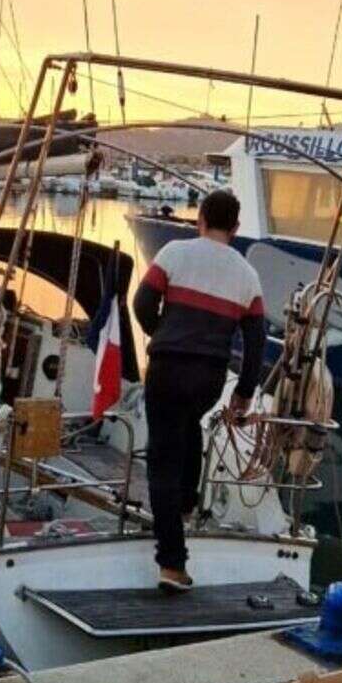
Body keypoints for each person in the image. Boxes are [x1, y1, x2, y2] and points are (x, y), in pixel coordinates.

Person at [132, 188, 266, 591]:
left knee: (162, 459)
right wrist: (243, 392)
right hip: (209, 377)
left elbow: (141, 303)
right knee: (190, 427)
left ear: (200, 220)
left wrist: (163, 334)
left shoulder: (174, 253)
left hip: (168, 367)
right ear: (237, 228)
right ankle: (187, 503)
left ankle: (171, 563)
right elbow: (256, 341)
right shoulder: (247, 275)